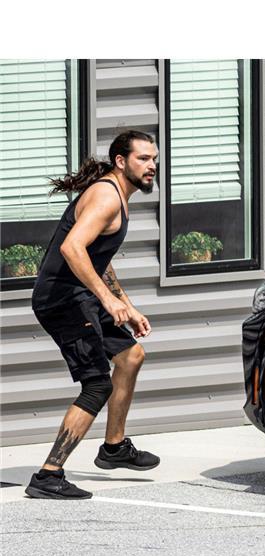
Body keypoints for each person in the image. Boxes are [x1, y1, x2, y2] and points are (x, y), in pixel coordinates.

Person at [25, 130, 160, 500]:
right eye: (143, 159)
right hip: (62, 300)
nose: (152, 166)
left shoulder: (119, 195)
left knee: (132, 356)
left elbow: (98, 258)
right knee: (97, 384)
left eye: (154, 159)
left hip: (82, 294)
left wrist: (125, 305)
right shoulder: (106, 196)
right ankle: (48, 475)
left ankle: (114, 447)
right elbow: (72, 248)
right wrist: (108, 300)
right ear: (121, 161)